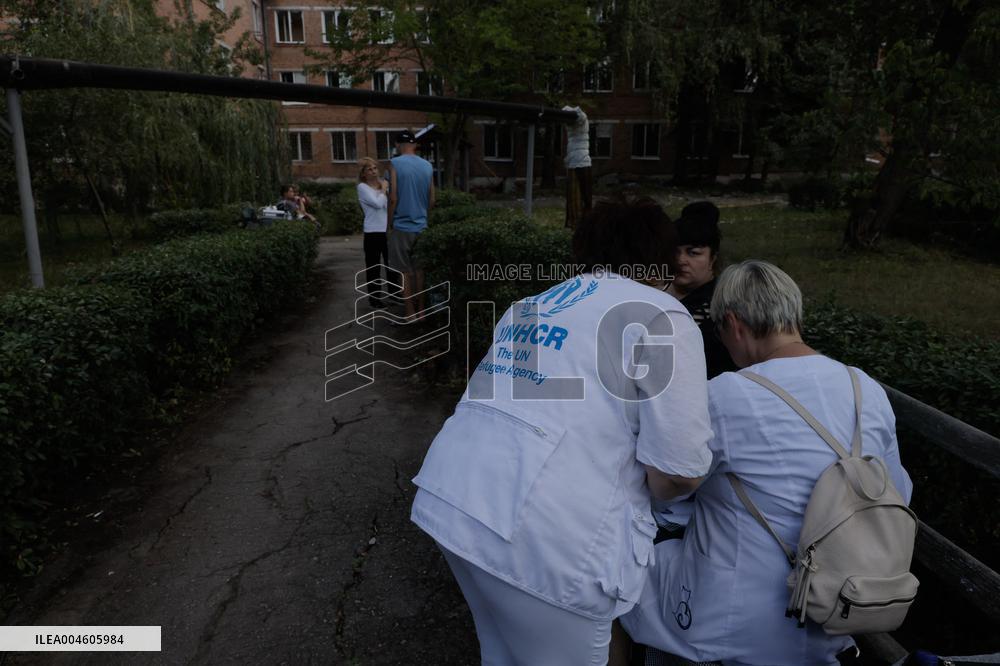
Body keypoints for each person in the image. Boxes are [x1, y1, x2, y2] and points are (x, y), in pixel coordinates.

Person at [410, 197, 714, 666]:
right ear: (662, 258)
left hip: (455, 501)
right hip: (546, 540)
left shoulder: (531, 306)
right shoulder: (659, 315)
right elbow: (677, 472)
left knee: (502, 653)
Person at [620, 260, 913, 666]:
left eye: (721, 334)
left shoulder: (726, 395)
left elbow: (671, 485)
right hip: (835, 611)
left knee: (618, 581)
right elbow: (900, 489)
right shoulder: (865, 387)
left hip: (733, 620)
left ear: (734, 325)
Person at [666, 201, 736, 379]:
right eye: (674, 252)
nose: (681, 260)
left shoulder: (723, 306)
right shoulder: (654, 295)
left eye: (693, 253)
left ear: (713, 258)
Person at [387, 129, 434, 319]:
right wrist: (424, 218)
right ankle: (422, 310)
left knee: (404, 272)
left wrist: (389, 224)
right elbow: (432, 200)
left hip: (402, 227)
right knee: (420, 270)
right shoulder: (427, 166)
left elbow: (392, 198)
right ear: (415, 145)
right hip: (421, 226)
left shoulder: (394, 164)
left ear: (398, 145)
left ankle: (409, 312)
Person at [356, 157, 393, 308]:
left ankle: (394, 294)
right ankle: (375, 299)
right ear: (364, 174)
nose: (373, 171)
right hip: (372, 232)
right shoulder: (362, 187)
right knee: (374, 267)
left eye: (375, 168)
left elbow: (391, 204)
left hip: (387, 231)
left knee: (391, 265)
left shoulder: (383, 186)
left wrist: (384, 189)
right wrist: (384, 189)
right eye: (369, 169)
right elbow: (378, 204)